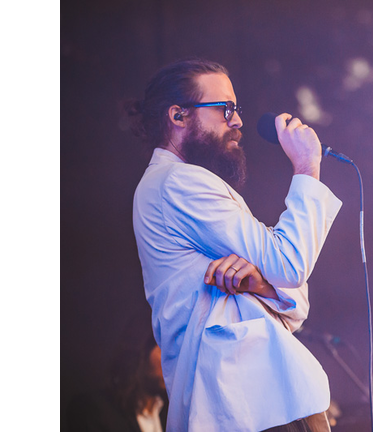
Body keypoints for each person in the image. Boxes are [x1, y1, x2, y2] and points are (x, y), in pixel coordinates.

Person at [129, 58, 342, 431]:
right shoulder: (178, 183)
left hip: (266, 402)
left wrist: (260, 282)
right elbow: (290, 265)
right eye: (225, 109)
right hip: (241, 405)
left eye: (237, 110)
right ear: (178, 116)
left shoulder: (189, 184)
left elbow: (296, 302)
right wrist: (308, 168)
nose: (238, 121)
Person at [66, 317, 168, 432]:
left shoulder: (171, 415)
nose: (173, 363)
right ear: (142, 350)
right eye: (164, 350)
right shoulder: (91, 411)